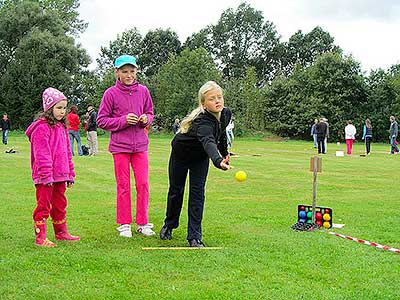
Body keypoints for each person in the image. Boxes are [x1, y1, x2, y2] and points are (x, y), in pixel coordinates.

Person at [159, 81, 232, 248]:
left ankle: (194, 237)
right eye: (212, 99)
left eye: (219, 97)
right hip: (181, 153)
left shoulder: (226, 114)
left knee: (197, 194)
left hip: (200, 157)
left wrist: (224, 152)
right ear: (204, 104)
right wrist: (218, 160)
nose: (217, 101)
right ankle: (169, 225)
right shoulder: (202, 122)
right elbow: (208, 141)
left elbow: (219, 136)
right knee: (176, 191)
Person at [97, 54, 155, 238]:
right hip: (120, 147)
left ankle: (142, 222)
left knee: (143, 184)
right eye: (124, 71)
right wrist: (122, 121)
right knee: (123, 185)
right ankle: (124, 224)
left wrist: (146, 119)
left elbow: (150, 113)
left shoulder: (144, 91)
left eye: (132, 71)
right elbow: (101, 120)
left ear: (136, 71)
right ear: (117, 73)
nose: (129, 75)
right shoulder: (110, 94)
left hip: (140, 146)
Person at [25, 87, 80, 247]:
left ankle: (61, 232)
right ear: (49, 108)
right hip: (45, 177)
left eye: (64, 108)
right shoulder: (41, 128)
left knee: (60, 204)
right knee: (44, 205)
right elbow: (42, 154)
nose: (62, 111)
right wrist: (46, 175)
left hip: (60, 175)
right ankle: (40, 237)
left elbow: (67, 153)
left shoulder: (62, 127)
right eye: (59, 107)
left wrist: (70, 173)